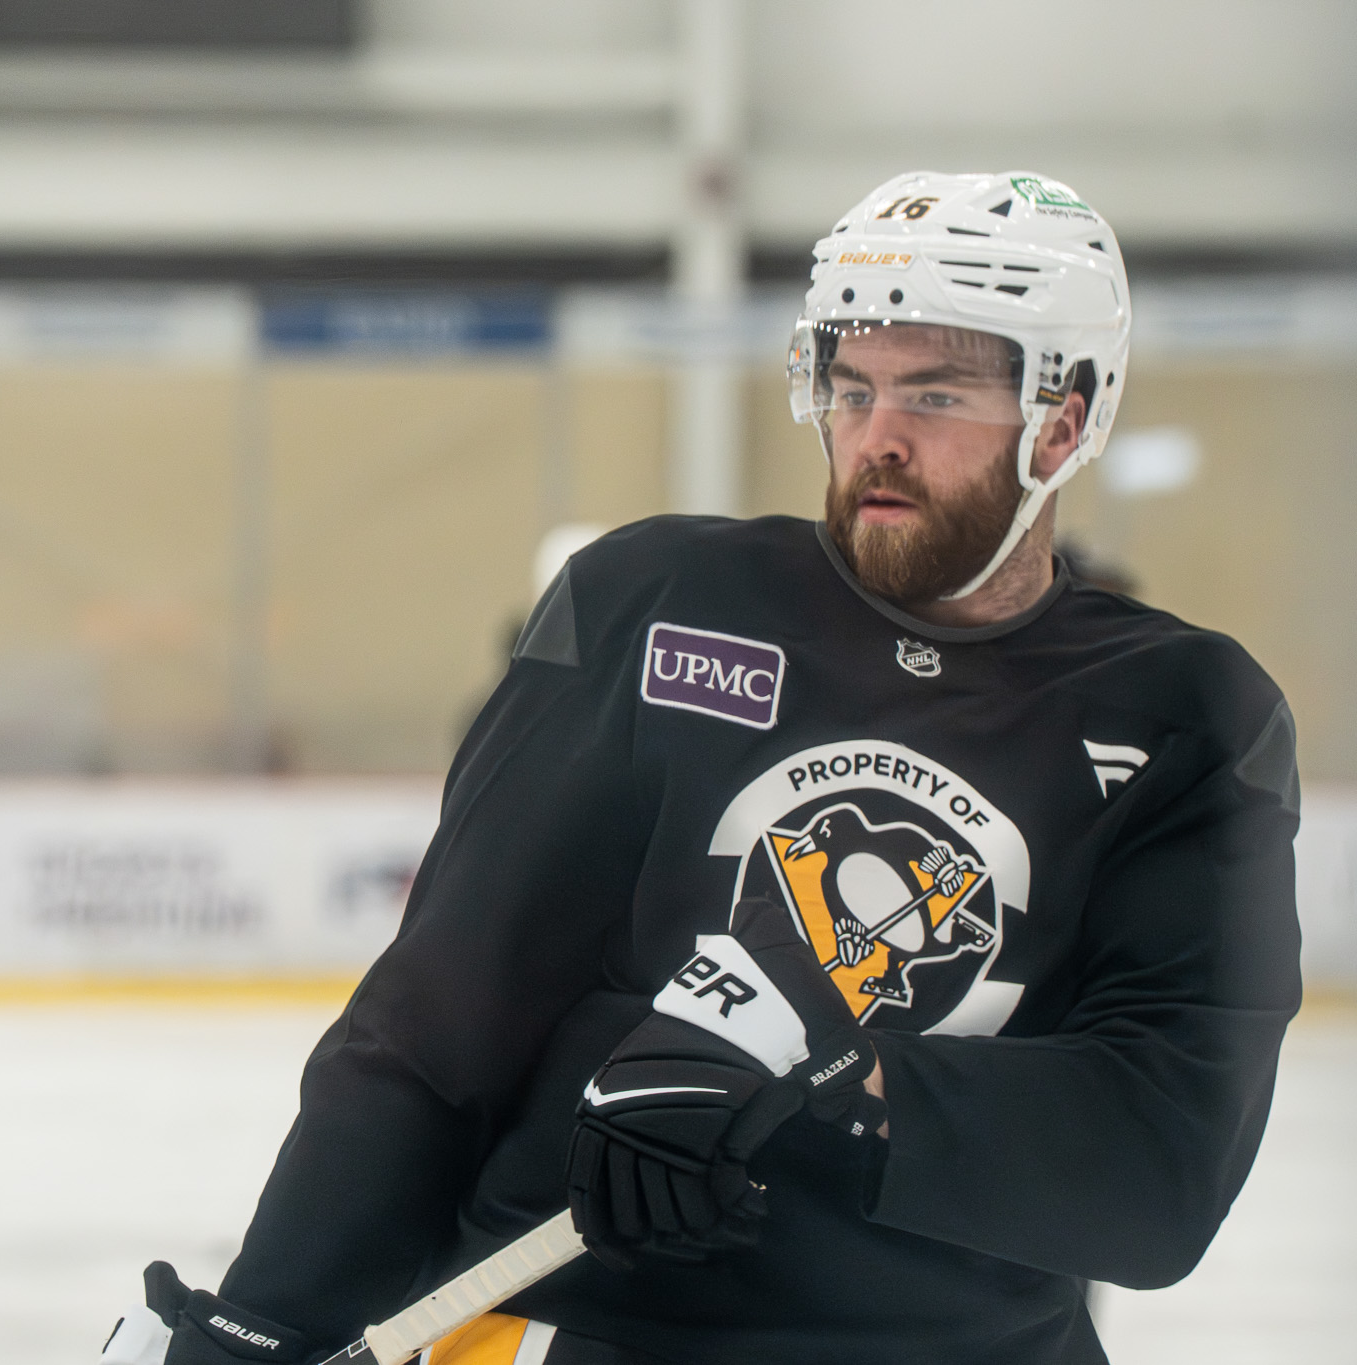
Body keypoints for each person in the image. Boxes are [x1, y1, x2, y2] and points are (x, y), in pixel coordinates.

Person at [101, 171, 1301, 1365]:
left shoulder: (1186, 713)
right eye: (850, 385)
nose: (874, 435)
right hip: (581, 1324)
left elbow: (1160, 1167)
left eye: (933, 393)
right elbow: (437, 1028)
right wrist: (268, 1321)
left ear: (1063, 416)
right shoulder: (659, 605)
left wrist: (832, 1066)